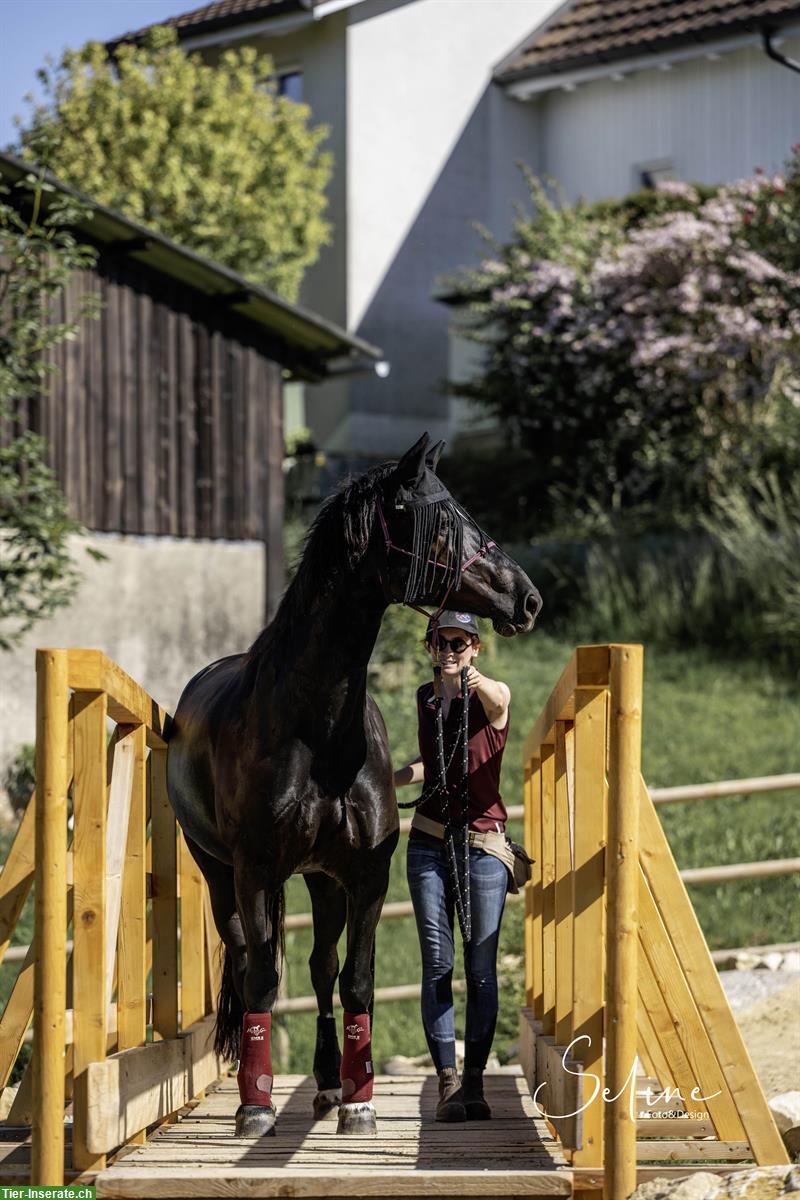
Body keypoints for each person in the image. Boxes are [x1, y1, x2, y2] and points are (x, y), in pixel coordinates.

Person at [393, 610, 514, 1123]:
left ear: (475, 647)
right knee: (437, 962)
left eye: (459, 642)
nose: (449, 650)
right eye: (440, 642)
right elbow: (433, 762)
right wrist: (389, 777)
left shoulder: (489, 694)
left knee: (481, 970)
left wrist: (469, 680)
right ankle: (446, 1081)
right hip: (428, 840)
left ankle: (474, 1083)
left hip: (483, 845)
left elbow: (500, 702)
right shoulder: (425, 697)